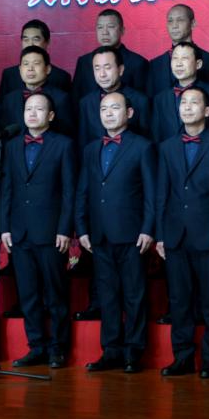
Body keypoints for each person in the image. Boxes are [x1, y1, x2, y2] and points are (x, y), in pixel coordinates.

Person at [155, 87, 209, 379]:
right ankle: (183, 357)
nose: (187, 107)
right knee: (179, 300)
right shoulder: (167, 147)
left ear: (208, 110)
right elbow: (162, 193)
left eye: (194, 102)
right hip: (175, 234)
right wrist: (160, 234)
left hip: (208, 236)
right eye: (183, 103)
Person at [75, 91, 157, 372]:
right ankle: (110, 350)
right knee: (107, 295)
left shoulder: (143, 147)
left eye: (115, 108)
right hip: (99, 234)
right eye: (104, 109)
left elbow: (151, 192)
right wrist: (81, 227)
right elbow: (83, 190)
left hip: (132, 233)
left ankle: (134, 351)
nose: (108, 113)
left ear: (129, 113)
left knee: (134, 294)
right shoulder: (90, 149)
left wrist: (148, 228)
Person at [0, 92, 77, 369]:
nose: (32, 113)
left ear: (51, 116)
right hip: (20, 232)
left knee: (55, 294)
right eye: (28, 109)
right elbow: (7, 188)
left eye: (39, 109)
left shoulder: (64, 145)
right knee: (28, 294)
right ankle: (36, 346)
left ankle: (58, 348)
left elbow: (69, 191)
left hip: (51, 232)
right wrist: (4, 226)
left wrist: (65, 228)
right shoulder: (11, 146)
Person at [77, 46, 151, 146]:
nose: (102, 74)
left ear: (120, 70)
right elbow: (83, 142)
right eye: (97, 68)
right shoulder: (86, 103)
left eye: (107, 68)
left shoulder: (140, 101)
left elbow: (146, 142)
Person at [151, 42, 209, 143]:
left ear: (198, 64)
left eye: (184, 58)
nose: (178, 64)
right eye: (175, 58)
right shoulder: (160, 99)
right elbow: (156, 137)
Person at [72, 9, 149, 102]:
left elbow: (142, 101)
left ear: (122, 30)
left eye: (110, 27)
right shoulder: (84, 61)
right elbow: (75, 99)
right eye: (100, 27)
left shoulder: (138, 63)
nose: (105, 32)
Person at [0, 46, 74, 138]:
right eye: (26, 64)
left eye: (36, 63)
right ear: (20, 69)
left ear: (48, 69)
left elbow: (67, 133)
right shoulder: (9, 99)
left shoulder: (61, 98)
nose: (30, 68)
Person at [146, 3, 209, 97]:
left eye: (180, 20)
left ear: (193, 24)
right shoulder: (155, 64)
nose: (174, 26)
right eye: (170, 21)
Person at [0, 19, 72, 100]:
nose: (30, 44)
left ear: (47, 42)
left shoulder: (62, 77)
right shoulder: (9, 75)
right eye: (26, 40)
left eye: (36, 39)